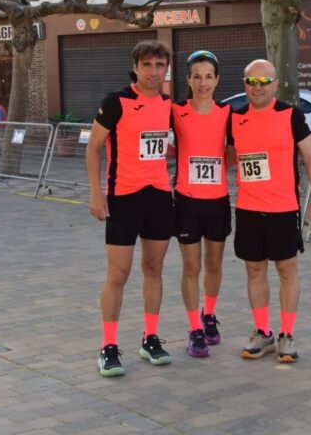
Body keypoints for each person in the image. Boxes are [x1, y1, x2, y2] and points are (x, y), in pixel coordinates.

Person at [227, 59, 311, 363]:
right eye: (251, 81)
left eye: (264, 81)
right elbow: (225, 156)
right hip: (248, 208)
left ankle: (286, 335)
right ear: (244, 84)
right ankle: (262, 331)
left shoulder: (290, 115)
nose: (257, 87)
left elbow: (310, 157)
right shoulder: (235, 118)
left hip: (283, 208)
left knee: (287, 270)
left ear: (275, 84)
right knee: (254, 270)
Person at [86, 40, 174, 377]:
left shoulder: (168, 104)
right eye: (148, 65)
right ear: (136, 67)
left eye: (160, 65)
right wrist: (97, 194)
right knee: (118, 274)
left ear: (167, 69)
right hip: (123, 198)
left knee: (154, 270)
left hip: (158, 198)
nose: (154, 71)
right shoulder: (117, 101)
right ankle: (108, 346)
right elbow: (93, 149)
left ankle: (150, 338)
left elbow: (164, 147)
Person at [171, 50, 231, 357]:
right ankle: (194, 327)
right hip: (187, 202)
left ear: (217, 80)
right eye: (197, 76)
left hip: (218, 201)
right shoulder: (176, 110)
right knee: (191, 267)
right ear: (188, 79)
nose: (202, 82)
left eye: (208, 76)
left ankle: (209, 315)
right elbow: (159, 141)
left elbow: (234, 152)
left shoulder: (227, 113)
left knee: (214, 265)